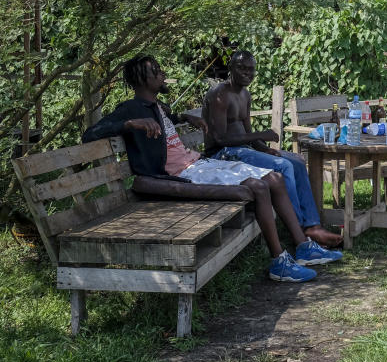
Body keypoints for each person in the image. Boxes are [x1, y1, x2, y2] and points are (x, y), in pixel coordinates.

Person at [82, 55, 335, 283]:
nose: (161, 74)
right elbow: (90, 134)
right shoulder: (131, 108)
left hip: (198, 163)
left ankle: (303, 246)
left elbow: (167, 122)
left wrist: (183, 118)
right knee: (258, 186)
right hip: (182, 174)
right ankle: (279, 262)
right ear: (142, 79)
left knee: (276, 178)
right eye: (156, 71)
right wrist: (130, 123)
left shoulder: (158, 107)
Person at [203, 51, 343, 249]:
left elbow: (247, 132)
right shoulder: (220, 94)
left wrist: (264, 148)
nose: (247, 73)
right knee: (283, 166)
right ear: (231, 68)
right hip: (222, 154)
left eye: (251, 69)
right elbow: (219, 139)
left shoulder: (245, 94)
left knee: (296, 161)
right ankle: (300, 228)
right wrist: (261, 136)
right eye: (242, 68)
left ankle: (313, 225)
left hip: (242, 149)